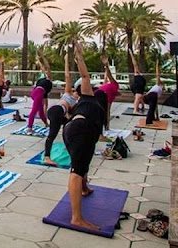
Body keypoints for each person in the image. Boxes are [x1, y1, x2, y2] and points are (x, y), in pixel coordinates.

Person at [62, 41, 104, 230]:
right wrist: (79, 56)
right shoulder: (87, 96)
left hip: (75, 131)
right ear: (83, 90)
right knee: (77, 171)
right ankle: (76, 218)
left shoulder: (83, 102)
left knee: (81, 164)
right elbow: (84, 75)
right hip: (79, 131)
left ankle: (84, 188)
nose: (93, 86)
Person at [44, 53, 78, 166]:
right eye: (76, 91)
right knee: (52, 134)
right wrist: (66, 60)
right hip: (56, 111)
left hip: (59, 113)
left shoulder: (79, 101)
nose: (76, 93)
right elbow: (67, 76)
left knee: (67, 129)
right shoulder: (68, 93)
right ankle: (47, 157)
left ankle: (70, 148)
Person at [25, 52, 52, 133]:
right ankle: (29, 128)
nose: (47, 72)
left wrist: (40, 59)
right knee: (34, 111)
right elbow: (46, 67)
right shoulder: (45, 79)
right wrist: (42, 58)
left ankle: (46, 124)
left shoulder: (47, 80)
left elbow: (46, 68)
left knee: (40, 111)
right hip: (37, 93)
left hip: (37, 93)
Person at [96, 55, 121, 131]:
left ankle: (105, 127)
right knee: (104, 112)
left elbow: (107, 76)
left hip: (99, 94)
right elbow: (108, 76)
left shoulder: (111, 95)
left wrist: (106, 66)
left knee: (102, 112)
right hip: (99, 94)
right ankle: (105, 127)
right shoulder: (115, 84)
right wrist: (106, 66)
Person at [144, 60, 164, 126]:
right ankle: (148, 122)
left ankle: (152, 118)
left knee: (152, 108)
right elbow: (158, 74)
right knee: (151, 109)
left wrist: (157, 117)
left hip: (150, 96)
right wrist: (157, 65)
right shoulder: (158, 85)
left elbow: (156, 105)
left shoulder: (160, 90)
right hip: (151, 95)